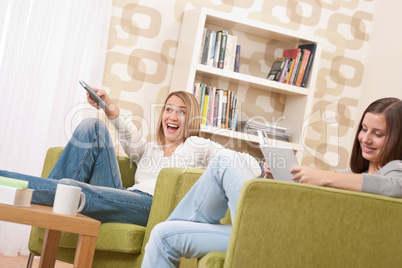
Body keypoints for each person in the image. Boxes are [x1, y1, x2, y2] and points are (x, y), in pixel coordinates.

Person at [141, 97, 402, 268]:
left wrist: (322, 176)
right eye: (364, 129)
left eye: (377, 134)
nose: (365, 138)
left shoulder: (394, 172)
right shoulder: (348, 174)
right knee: (163, 235)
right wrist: (276, 181)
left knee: (225, 160)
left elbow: (392, 187)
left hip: (288, 236)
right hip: (273, 227)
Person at [0, 89, 260, 226]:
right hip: (124, 196)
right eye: (168, 109)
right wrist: (107, 105)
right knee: (92, 127)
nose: (172, 116)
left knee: (73, 190)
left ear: (189, 119)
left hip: (151, 207)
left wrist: (261, 167)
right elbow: (127, 134)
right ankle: (47, 209)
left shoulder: (197, 145)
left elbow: (245, 164)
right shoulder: (152, 149)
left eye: (181, 112)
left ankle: (8, 185)